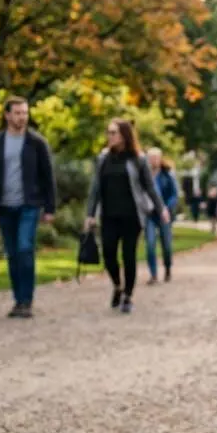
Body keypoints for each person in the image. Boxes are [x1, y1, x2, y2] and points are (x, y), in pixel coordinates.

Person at [0, 96, 57, 319]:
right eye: (17, 113)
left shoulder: (37, 143)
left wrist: (50, 208)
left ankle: (26, 300)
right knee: (12, 254)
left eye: (25, 113)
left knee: (24, 248)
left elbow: (48, 177)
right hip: (4, 206)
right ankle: (18, 300)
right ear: (8, 115)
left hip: (29, 205)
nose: (22, 117)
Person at [84, 119, 162, 314]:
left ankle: (128, 295)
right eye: (108, 132)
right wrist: (90, 214)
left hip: (132, 216)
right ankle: (117, 285)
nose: (109, 136)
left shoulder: (138, 159)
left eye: (113, 133)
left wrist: (161, 209)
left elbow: (149, 187)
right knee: (108, 253)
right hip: (109, 215)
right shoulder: (103, 158)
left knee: (128, 255)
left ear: (124, 135)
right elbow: (95, 188)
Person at [144, 148, 180, 284]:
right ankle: (153, 274)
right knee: (150, 244)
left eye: (155, 158)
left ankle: (168, 269)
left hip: (164, 214)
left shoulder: (167, 174)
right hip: (149, 214)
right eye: (150, 158)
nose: (153, 161)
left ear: (160, 159)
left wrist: (166, 207)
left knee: (166, 244)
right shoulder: (144, 175)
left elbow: (174, 194)